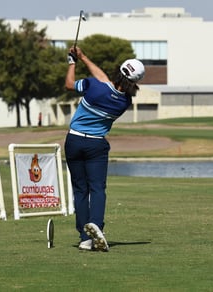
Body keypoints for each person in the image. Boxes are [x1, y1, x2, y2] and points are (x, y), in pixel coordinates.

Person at [64, 46, 145, 251]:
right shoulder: (124, 101)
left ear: (118, 71)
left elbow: (69, 84)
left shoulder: (93, 86)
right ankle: (96, 227)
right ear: (135, 82)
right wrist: (84, 57)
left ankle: (85, 237)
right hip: (96, 145)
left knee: (80, 190)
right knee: (97, 188)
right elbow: (104, 81)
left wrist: (73, 62)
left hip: (74, 142)